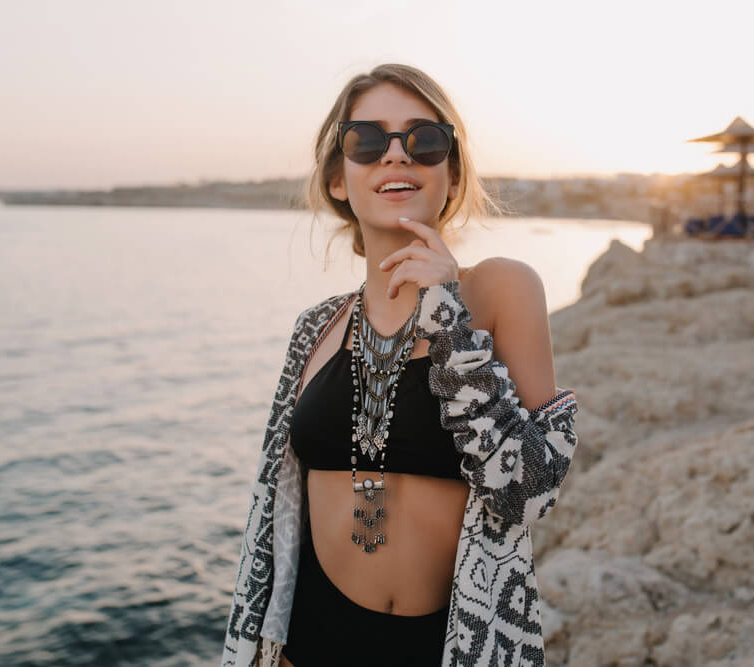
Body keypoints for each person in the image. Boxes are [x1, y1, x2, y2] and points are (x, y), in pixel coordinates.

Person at [221, 63, 579, 667]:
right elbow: (278, 518)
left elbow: (529, 491)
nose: (396, 157)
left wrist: (447, 313)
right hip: (307, 647)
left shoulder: (501, 291)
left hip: (447, 647)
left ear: (451, 171)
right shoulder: (316, 329)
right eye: (365, 141)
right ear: (339, 178)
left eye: (424, 140)